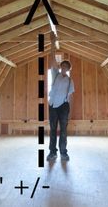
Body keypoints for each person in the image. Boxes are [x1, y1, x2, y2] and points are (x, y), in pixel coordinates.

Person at [47, 32, 75, 161]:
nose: (64, 68)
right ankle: (52, 152)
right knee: (53, 130)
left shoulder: (70, 81)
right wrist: (52, 43)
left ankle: (64, 152)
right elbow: (52, 58)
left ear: (68, 69)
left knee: (63, 131)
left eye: (66, 67)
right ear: (60, 67)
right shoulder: (55, 75)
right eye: (62, 66)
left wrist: (70, 112)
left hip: (64, 107)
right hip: (52, 105)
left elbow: (70, 97)